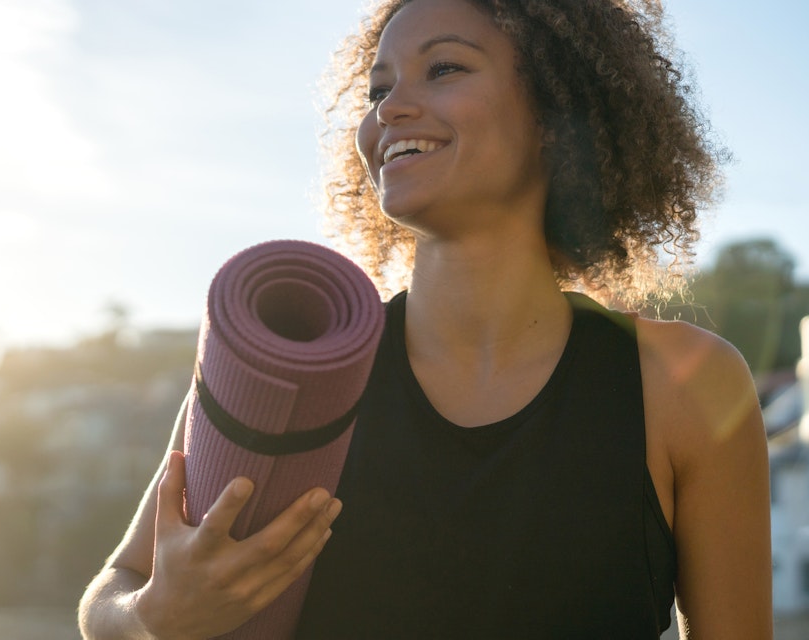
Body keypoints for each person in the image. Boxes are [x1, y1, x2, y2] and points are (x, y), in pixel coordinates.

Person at [78, 0, 772, 637]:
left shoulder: (685, 385)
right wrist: (152, 618)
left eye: (443, 69)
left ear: (558, 113)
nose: (391, 110)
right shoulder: (299, 364)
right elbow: (113, 589)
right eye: (379, 89)